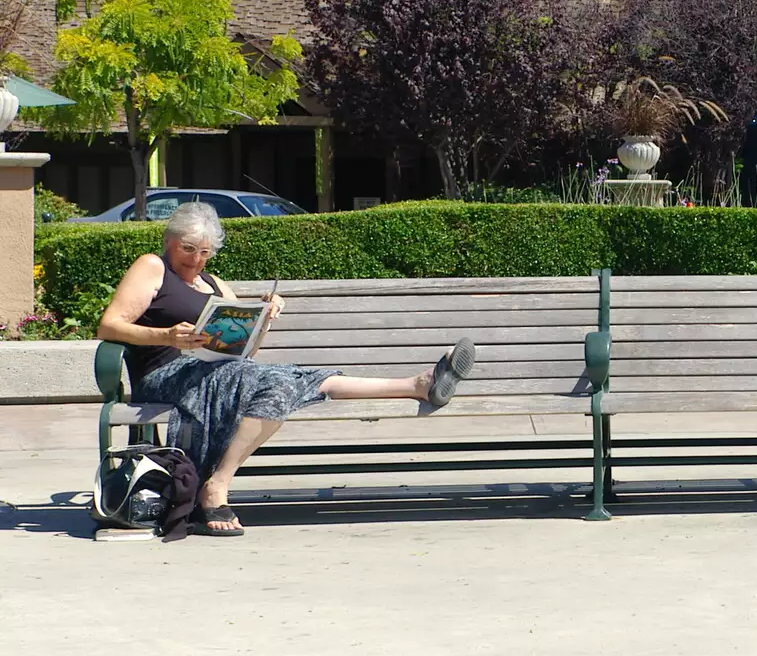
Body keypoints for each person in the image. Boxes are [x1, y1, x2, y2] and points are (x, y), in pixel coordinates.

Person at [98, 202, 476, 536]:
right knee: (267, 379)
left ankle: (420, 385)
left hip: (219, 372)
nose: (197, 259)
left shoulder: (215, 284)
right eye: (188, 249)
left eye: (205, 252)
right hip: (166, 375)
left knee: (286, 382)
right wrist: (166, 336)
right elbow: (109, 325)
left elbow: (243, 352)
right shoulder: (153, 267)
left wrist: (262, 319)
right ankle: (214, 490)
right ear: (170, 241)